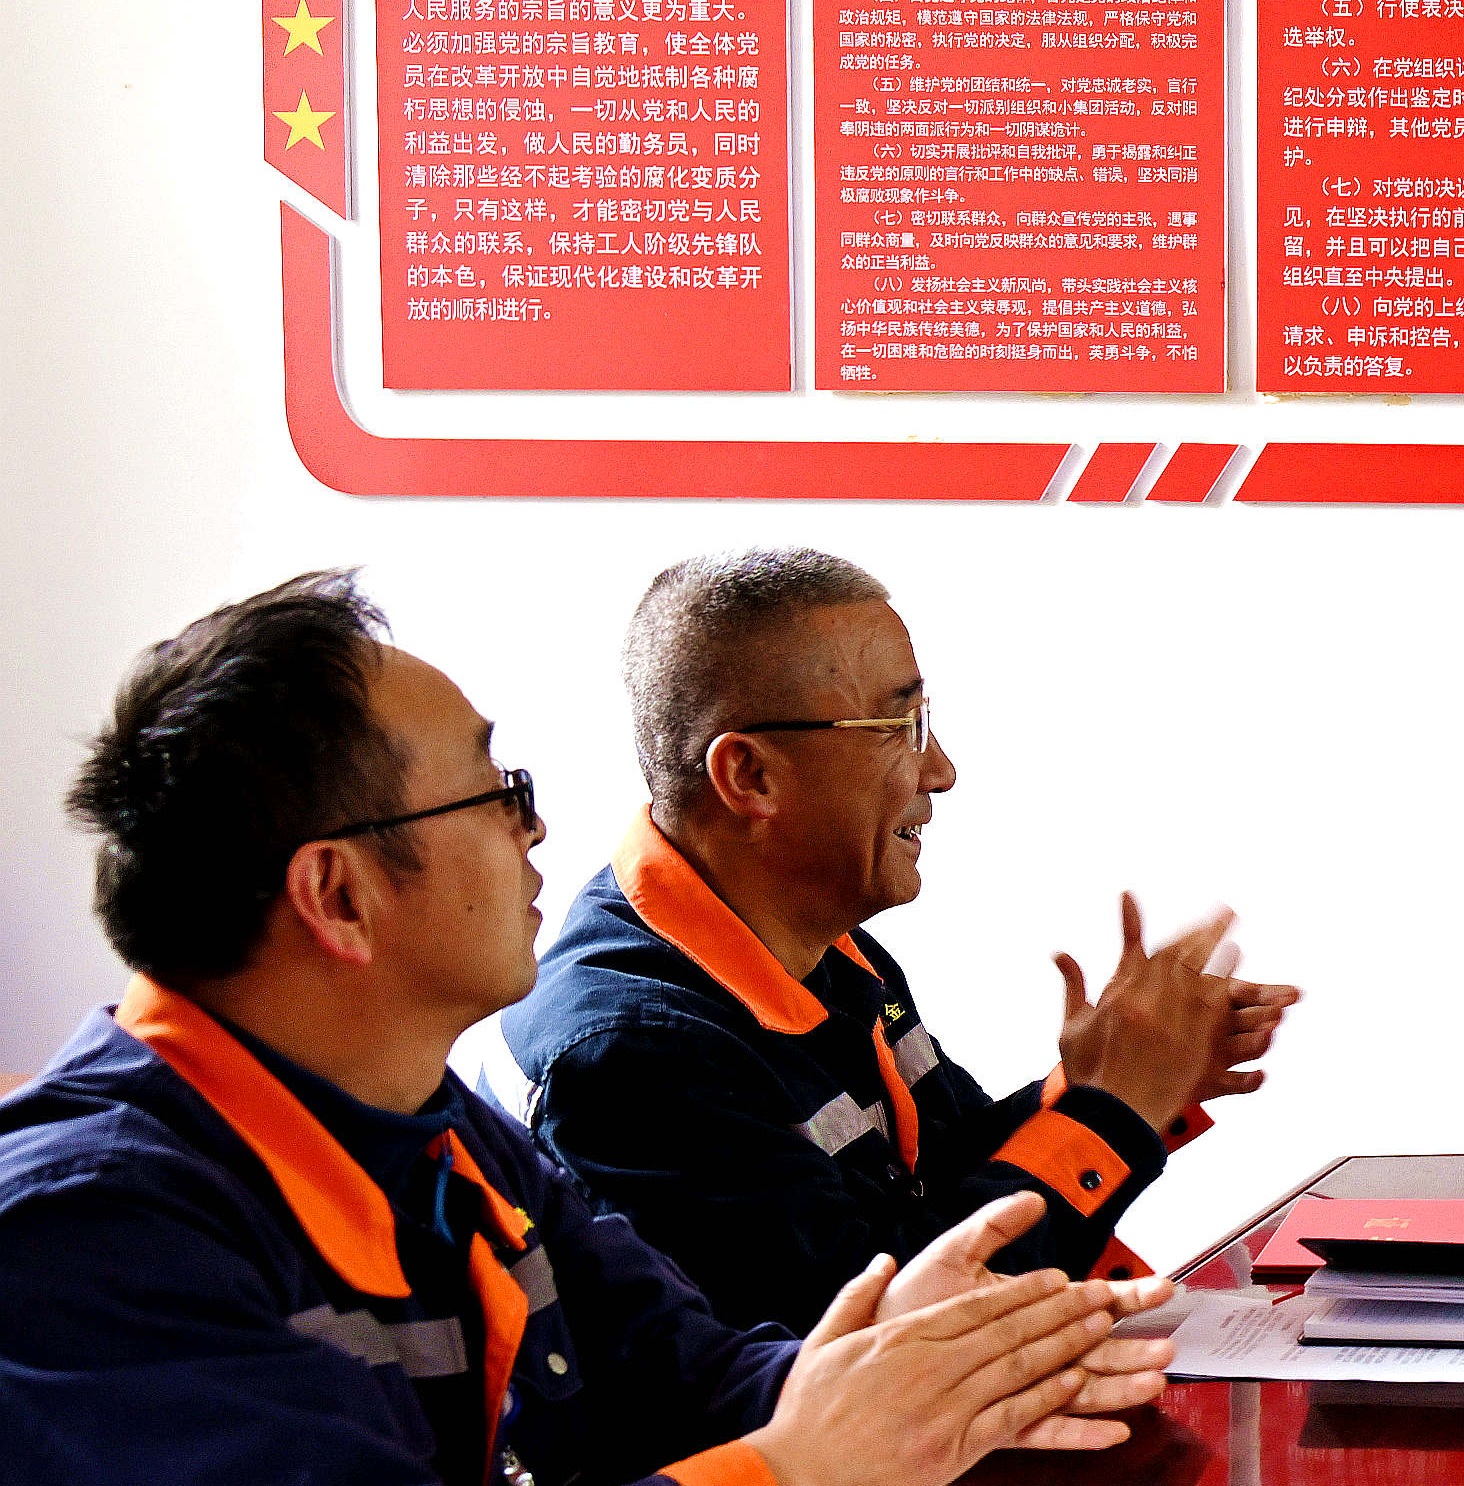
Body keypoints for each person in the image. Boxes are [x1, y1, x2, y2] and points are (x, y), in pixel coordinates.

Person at [0, 573, 1170, 1486]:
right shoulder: (83, 1232)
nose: (539, 832)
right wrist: (800, 1471)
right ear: (338, 894)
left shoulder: (427, 1120)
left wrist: (902, 1362)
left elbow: (690, 1376)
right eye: (495, 794)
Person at [508, 550, 1297, 1333]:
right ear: (749, 775)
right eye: (901, 727)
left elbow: (946, 1180)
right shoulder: (634, 1058)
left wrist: (1108, 1077)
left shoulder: (831, 951)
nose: (941, 770)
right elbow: (888, 1336)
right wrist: (1113, 1108)